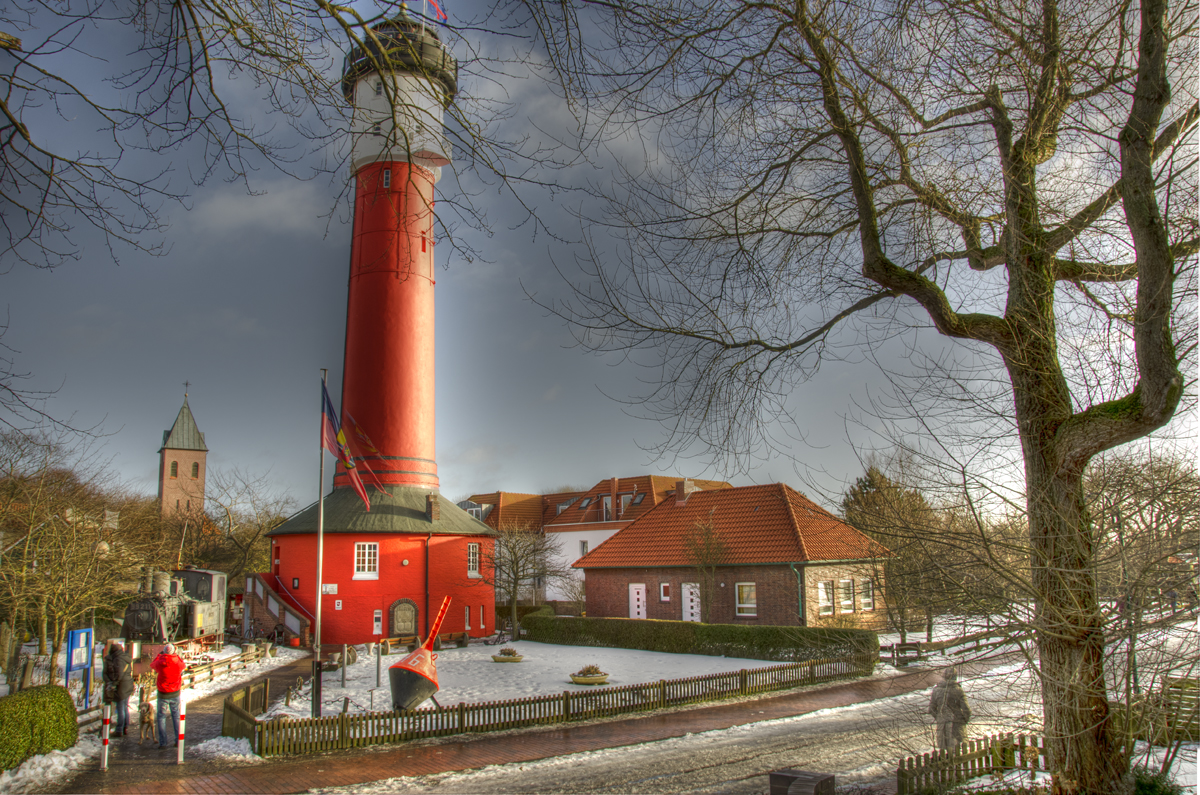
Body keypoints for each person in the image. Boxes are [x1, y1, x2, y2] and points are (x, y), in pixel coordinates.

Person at [151, 643, 186, 749]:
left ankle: (163, 743)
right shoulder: (177, 662)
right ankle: (178, 740)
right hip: (175, 693)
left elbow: (152, 665)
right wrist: (176, 655)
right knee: (176, 716)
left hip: (162, 694)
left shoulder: (160, 662)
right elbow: (183, 665)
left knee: (161, 717)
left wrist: (159, 655)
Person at [928, 666, 971, 750]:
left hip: (942, 725)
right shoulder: (957, 690)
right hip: (956, 724)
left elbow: (931, 709)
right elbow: (967, 710)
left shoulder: (936, 690)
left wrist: (940, 718)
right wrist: (963, 720)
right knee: (959, 750)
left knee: (944, 751)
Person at [102, 641, 135, 736]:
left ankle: (119, 729)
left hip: (122, 686)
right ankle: (125, 727)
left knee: (121, 708)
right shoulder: (125, 658)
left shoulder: (118, 660)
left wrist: (114, 684)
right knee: (124, 707)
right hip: (127, 684)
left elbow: (119, 674)